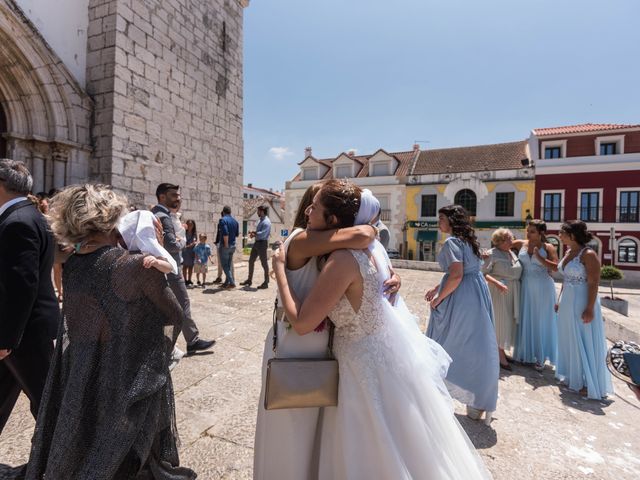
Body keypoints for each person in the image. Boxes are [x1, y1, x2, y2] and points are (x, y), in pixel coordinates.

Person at [272, 182, 491, 479]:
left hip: (358, 364)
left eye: (317, 208)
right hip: (383, 356)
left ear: (334, 220)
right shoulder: (372, 250)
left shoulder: (342, 259)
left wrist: (280, 273)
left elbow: (302, 323)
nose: (308, 212)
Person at [25, 184, 195, 479]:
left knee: (93, 446)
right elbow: (175, 316)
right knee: (133, 457)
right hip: (129, 376)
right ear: (110, 219)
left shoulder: (74, 264)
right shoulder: (137, 266)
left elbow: (80, 325)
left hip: (84, 375)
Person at [253, 182, 401, 480]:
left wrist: (391, 274)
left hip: (323, 342)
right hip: (295, 338)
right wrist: (371, 230)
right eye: (313, 204)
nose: (310, 211)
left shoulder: (332, 247)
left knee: (314, 429)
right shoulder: (301, 240)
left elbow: (360, 263)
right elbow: (361, 235)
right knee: (288, 425)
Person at [0, 160, 59, 437]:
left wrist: (6, 340)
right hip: (22, 332)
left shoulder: (17, 222)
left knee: (48, 407)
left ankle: (64, 465)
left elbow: (21, 285)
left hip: (23, 334)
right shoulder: (30, 215)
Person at [425, 205, 499, 422]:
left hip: (462, 295)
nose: (438, 222)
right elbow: (464, 271)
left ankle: (439, 390)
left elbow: (456, 275)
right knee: (479, 345)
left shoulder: (451, 242)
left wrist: (439, 298)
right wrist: (437, 288)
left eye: (441, 218)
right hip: (477, 291)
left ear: (451, 221)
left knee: (450, 343)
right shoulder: (469, 241)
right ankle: (478, 400)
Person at [541, 220, 613, 400]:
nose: (559, 235)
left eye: (562, 232)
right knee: (569, 338)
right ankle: (574, 377)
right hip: (567, 301)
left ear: (572, 235)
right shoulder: (568, 252)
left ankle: (588, 383)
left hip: (582, 300)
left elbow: (594, 282)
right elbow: (565, 279)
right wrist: (559, 300)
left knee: (583, 338)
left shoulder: (588, 254)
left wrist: (589, 308)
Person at [152, 183, 214, 353]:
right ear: (162, 197)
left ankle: (168, 343)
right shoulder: (163, 216)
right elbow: (172, 245)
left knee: (167, 306)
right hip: (171, 268)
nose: (178, 198)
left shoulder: (156, 213)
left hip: (163, 267)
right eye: (174, 195)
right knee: (182, 303)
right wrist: (184, 241)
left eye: (178, 195)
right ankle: (190, 341)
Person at [511, 220, 558, 370]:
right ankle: (525, 354)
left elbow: (556, 268)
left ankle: (541, 356)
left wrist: (541, 258)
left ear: (541, 233)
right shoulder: (520, 244)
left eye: (532, 231)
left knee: (542, 320)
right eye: (528, 230)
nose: (528, 233)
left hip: (544, 287)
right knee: (526, 318)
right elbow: (501, 245)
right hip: (525, 285)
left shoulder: (548, 247)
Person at [483, 228, 522, 371]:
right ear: (501, 241)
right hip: (498, 292)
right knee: (500, 322)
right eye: (510, 238)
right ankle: (499, 355)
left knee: (508, 322)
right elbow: (483, 273)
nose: (513, 240)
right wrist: (497, 283)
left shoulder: (511, 253)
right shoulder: (491, 254)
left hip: (513, 291)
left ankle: (502, 350)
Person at [241, 205, 271, 289]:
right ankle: (249, 280)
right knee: (251, 261)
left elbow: (263, 233)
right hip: (257, 243)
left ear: (262, 211)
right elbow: (259, 232)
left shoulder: (266, 222)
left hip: (262, 244)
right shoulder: (260, 220)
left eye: (258, 211)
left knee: (264, 263)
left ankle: (266, 282)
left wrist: (255, 233)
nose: (257, 212)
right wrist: (254, 233)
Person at [218, 205, 239, 289]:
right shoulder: (235, 221)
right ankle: (227, 282)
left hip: (225, 245)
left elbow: (225, 233)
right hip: (233, 245)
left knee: (224, 265)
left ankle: (232, 282)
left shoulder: (223, 220)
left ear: (223, 212)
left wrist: (226, 244)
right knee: (228, 265)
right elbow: (237, 234)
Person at [182, 219, 198, 285]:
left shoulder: (194, 233)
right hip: (185, 251)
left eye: (191, 224)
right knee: (185, 266)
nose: (190, 226)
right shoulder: (183, 232)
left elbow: (195, 242)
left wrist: (191, 244)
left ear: (193, 225)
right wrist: (189, 245)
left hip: (191, 252)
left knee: (191, 266)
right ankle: (185, 280)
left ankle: (189, 280)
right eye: (188, 224)